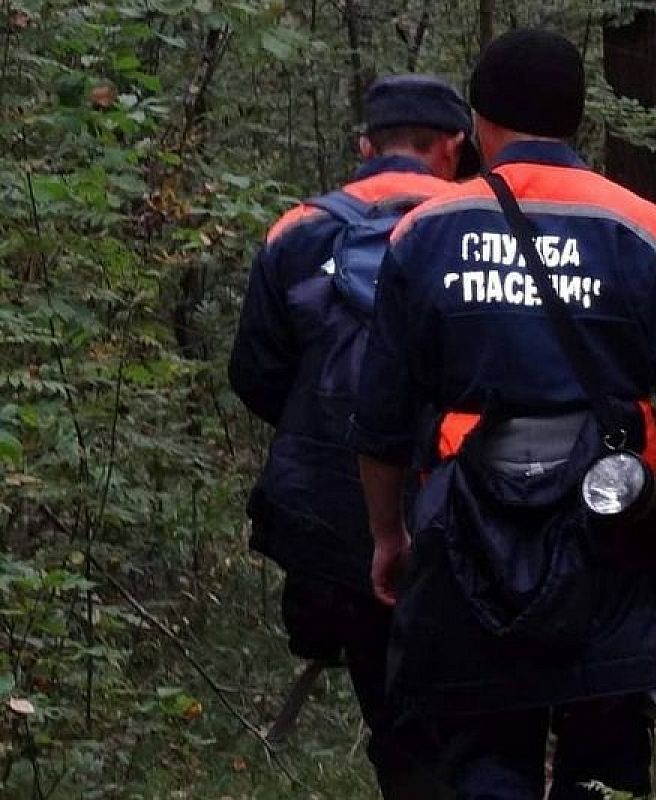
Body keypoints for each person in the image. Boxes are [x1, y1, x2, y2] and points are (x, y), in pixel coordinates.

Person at [351, 30, 656, 800]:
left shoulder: (423, 233)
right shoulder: (643, 229)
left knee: (483, 749)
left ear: (478, 124)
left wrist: (389, 536)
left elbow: (380, 417)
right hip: (611, 534)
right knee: (603, 751)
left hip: (468, 536)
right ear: (576, 120)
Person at [228, 74, 474, 799]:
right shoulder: (488, 223)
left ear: (364, 146)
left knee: (388, 702)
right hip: (470, 496)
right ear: (454, 147)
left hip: (339, 510)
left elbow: (255, 375)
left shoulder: (296, 231)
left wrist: (336, 438)